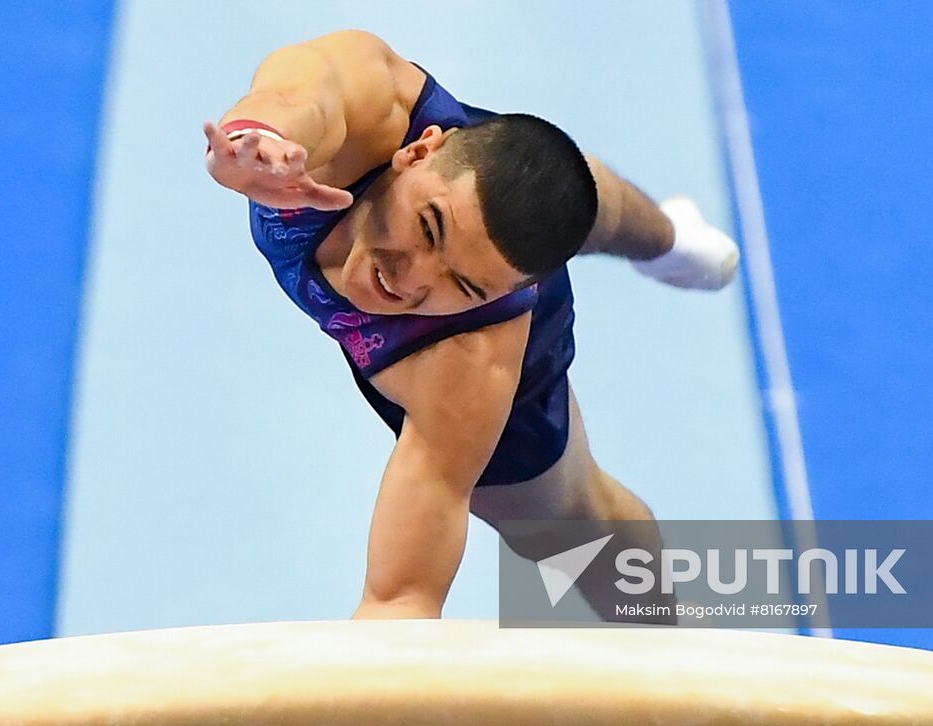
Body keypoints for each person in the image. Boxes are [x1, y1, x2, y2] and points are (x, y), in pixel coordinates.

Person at [204, 30, 739, 623]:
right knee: (559, 181)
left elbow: (400, 599)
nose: (407, 280)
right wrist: (260, 139)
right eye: (426, 229)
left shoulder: (467, 360)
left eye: (457, 285)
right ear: (417, 151)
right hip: (476, 200)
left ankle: (669, 638)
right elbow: (294, 98)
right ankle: (670, 242)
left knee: (566, 529)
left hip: (460, 325)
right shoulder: (361, 112)